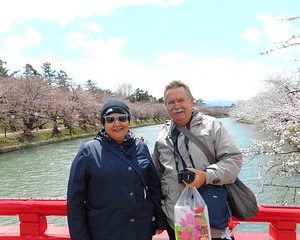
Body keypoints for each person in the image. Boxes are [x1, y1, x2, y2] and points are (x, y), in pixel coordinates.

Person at [152, 80, 242, 240]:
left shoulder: (212, 127)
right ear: (165, 106)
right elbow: (156, 176)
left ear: (192, 100)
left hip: (211, 220)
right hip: (178, 223)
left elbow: (233, 160)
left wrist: (206, 176)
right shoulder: (162, 137)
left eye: (181, 100)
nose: (176, 105)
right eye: (170, 102)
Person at [67, 99, 166, 240]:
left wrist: (159, 219)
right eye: (110, 119)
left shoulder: (140, 147)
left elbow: (154, 187)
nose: (117, 123)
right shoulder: (88, 151)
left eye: (122, 118)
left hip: (141, 230)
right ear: (103, 123)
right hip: (105, 231)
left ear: (129, 121)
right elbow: (75, 201)